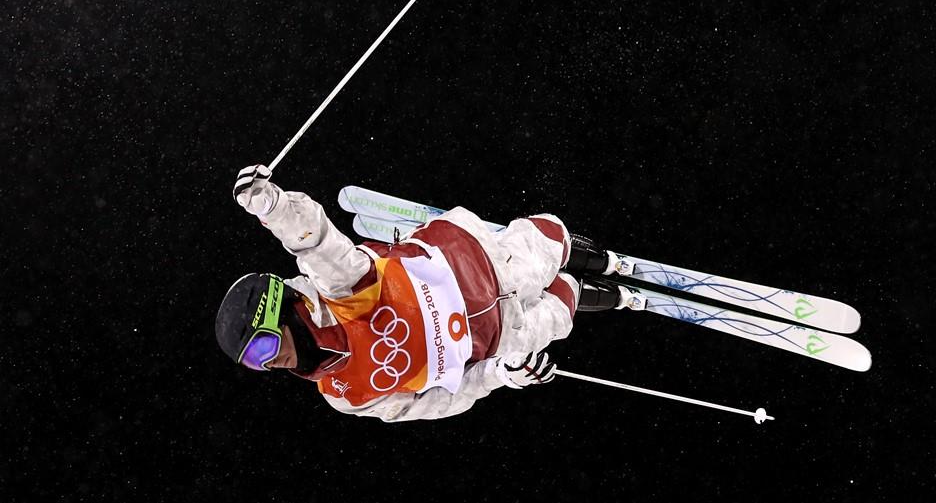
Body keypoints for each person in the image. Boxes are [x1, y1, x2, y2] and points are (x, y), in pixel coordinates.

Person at [216, 165, 638, 422]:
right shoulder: (345, 394)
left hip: (477, 267)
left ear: (285, 311)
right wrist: (500, 376)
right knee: (557, 318)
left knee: (543, 246)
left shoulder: (340, 291)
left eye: (264, 346)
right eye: (256, 363)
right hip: (495, 342)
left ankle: (598, 260)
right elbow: (438, 403)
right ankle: (595, 292)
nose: (270, 362)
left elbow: (315, 244)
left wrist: (272, 208)